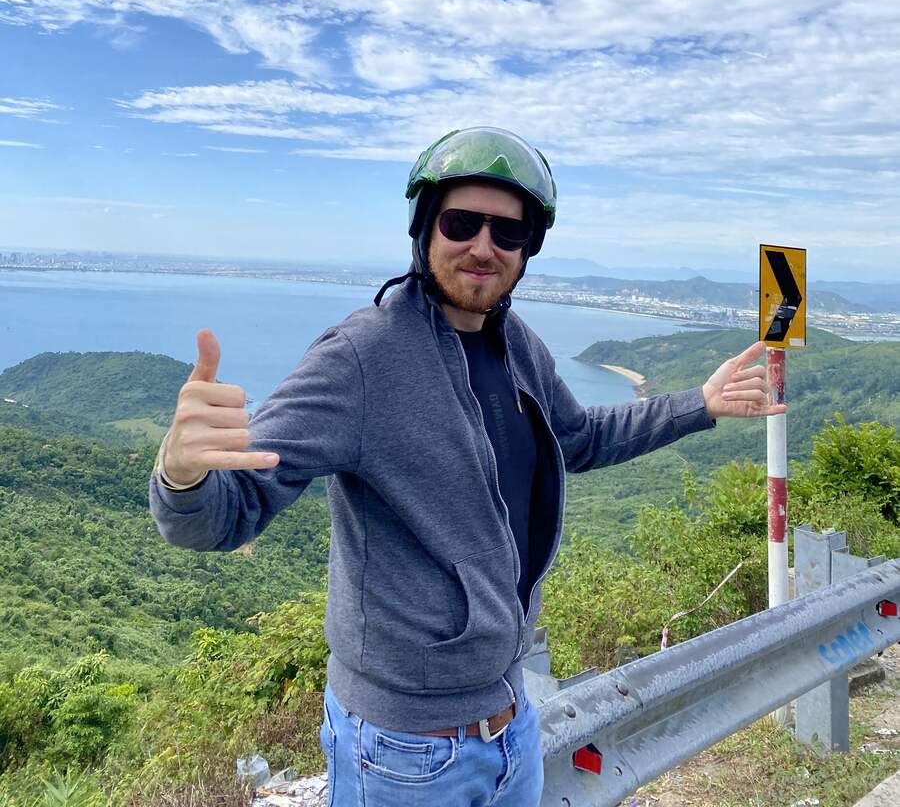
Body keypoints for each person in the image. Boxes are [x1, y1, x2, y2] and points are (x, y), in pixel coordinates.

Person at [149, 126, 778, 807]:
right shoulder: (362, 358)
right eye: (461, 223)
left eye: (508, 233)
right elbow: (225, 513)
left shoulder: (516, 345)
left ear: (527, 250)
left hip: (513, 722)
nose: (483, 246)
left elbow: (577, 439)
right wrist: (182, 473)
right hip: (402, 749)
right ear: (425, 230)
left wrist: (699, 404)